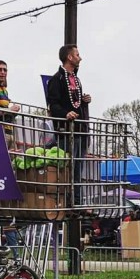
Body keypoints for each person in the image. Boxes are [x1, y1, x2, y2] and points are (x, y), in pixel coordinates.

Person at [47, 44, 91, 205]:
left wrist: (84, 102)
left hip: (79, 130)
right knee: (67, 167)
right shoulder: (56, 79)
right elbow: (53, 104)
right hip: (66, 131)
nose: (80, 57)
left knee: (78, 168)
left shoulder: (76, 79)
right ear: (70, 57)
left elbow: (76, 102)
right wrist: (65, 114)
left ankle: (77, 201)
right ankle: (66, 201)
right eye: (77, 54)